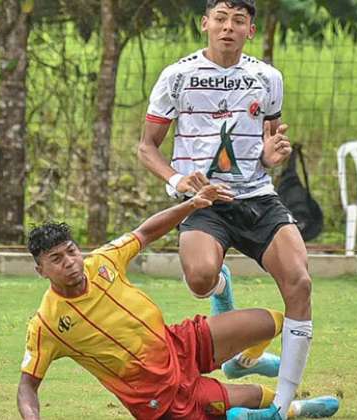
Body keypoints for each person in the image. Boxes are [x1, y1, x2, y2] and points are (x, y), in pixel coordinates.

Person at [16, 185, 338, 420]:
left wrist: (192, 205)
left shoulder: (102, 261)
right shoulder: (47, 324)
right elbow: (27, 386)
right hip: (159, 395)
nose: (70, 262)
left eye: (71, 251)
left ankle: (241, 363)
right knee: (257, 400)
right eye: (56, 259)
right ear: (40, 270)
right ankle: (295, 410)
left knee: (271, 321)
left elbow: (146, 231)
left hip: (179, 343)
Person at [137, 1, 313, 417]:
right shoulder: (177, 76)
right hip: (203, 201)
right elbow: (147, 147)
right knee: (199, 279)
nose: (228, 27)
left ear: (250, 29)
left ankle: (281, 405)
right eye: (220, 18)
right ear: (205, 24)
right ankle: (221, 288)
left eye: (238, 20)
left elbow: (269, 139)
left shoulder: (267, 77)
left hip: (257, 198)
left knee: (300, 284)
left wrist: (272, 155)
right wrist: (178, 180)